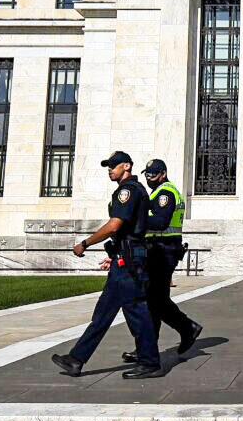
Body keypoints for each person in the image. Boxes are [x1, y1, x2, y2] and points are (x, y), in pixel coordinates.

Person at [51, 151, 162, 379]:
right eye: (108, 166)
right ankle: (76, 359)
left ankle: (150, 362)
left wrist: (85, 243)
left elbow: (114, 226)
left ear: (127, 166)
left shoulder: (128, 190)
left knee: (137, 313)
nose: (110, 169)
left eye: (114, 165)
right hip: (124, 259)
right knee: (103, 314)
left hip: (129, 263)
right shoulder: (133, 190)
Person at [121, 159, 203, 364]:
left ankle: (185, 329)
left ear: (163, 174)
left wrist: (135, 217)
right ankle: (150, 346)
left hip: (162, 250)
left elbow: (160, 221)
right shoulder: (158, 193)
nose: (149, 178)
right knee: (155, 300)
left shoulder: (165, 192)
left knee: (153, 300)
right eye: (147, 174)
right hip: (159, 250)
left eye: (153, 174)